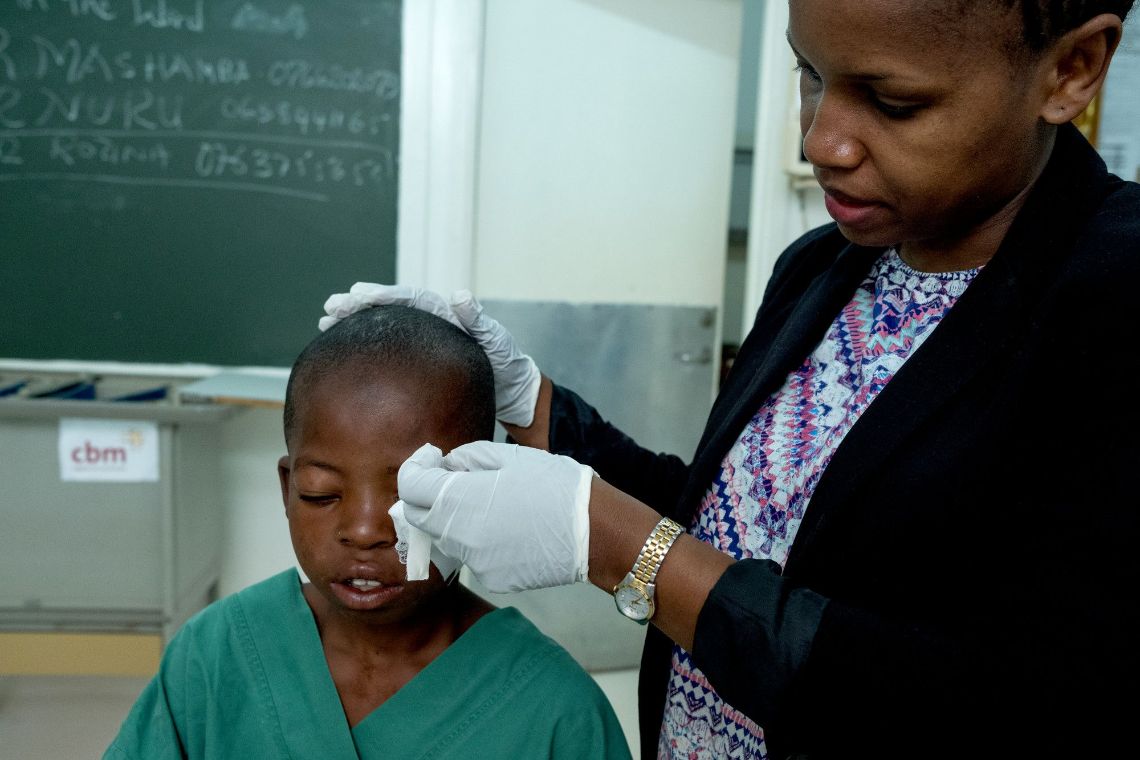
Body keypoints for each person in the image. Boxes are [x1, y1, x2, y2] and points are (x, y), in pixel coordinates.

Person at [321, 1, 1140, 757]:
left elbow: (1027, 703)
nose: (821, 141)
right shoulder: (827, 267)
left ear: (1071, 69)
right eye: (809, 75)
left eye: (892, 102)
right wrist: (530, 404)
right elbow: (738, 534)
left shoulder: (1113, 300)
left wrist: (623, 550)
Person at [104, 306, 632, 760]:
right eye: (320, 493)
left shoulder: (555, 711)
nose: (362, 531)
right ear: (288, 489)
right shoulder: (216, 655)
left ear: (477, 497)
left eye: (411, 495)